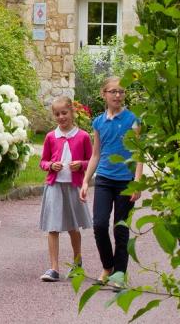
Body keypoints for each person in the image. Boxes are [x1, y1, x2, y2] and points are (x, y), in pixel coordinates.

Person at [80, 76, 143, 291]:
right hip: (105, 179)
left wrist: (137, 183)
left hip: (126, 181)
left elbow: (139, 154)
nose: (118, 95)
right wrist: (86, 181)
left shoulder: (133, 120)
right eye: (113, 91)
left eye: (121, 91)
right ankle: (107, 267)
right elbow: (96, 155)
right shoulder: (98, 122)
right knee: (99, 225)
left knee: (120, 229)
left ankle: (119, 274)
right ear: (104, 94)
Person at [38, 96, 93, 282]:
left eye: (64, 113)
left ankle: (77, 264)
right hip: (54, 186)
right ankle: (54, 268)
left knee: (72, 226)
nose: (61, 117)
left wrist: (81, 164)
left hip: (73, 186)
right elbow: (43, 161)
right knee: (52, 227)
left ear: (72, 112)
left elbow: (92, 161)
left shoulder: (83, 136)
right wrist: (50, 166)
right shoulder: (50, 137)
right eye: (57, 114)